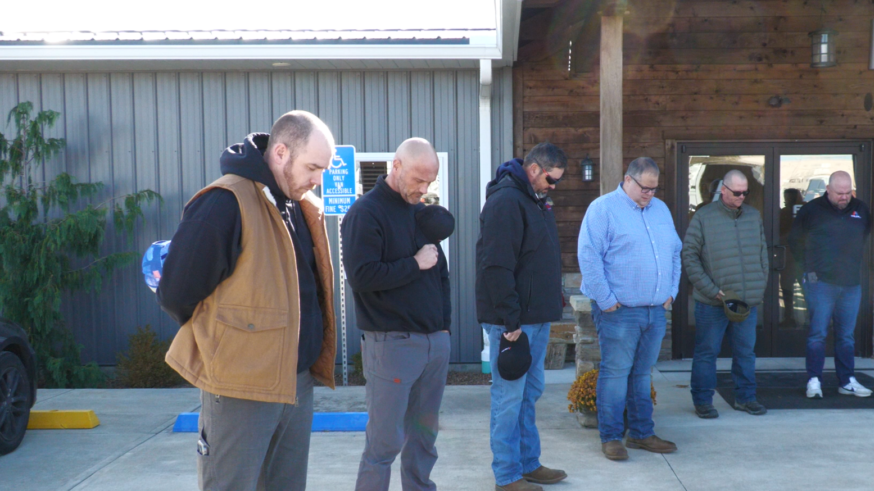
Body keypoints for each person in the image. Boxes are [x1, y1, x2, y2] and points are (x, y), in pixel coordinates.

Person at [159, 110, 338, 491]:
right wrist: (228, 344)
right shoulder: (224, 202)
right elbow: (177, 291)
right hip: (240, 390)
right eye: (312, 167)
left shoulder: (298, 204)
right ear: (281, 153)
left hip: (296, 384)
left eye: (323, 170)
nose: (318, 180)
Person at [342, 137, 451, 491]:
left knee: (424, 439)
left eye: (430, 182)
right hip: (392, 345)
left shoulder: (419, 212)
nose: (424, 189)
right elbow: (361, 277)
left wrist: (444, 329)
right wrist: (413, 264)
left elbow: (440, 274)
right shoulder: (365, 213)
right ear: (397, 166)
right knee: (384, 443)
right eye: (418, 180)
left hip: (434, 344)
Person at [477, 142, 568, 491]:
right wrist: (510, 320)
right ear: (533, 169)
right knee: (508, 398)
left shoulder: (534, 199)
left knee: (529, 394)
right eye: (550, 179)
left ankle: (529, 463)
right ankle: (507, 475)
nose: (553, 186)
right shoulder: (506, 201)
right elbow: (496, 265)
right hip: (514, 323)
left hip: (535, 317)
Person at [577, 157, 682, 461]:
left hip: (655, 310)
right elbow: (589, 257)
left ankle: (641, 433)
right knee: (615, 374)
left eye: (654, 188)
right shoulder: (603, 209)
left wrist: (672, 292)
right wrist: (606, 299)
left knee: (642, 374)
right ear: (627, 180)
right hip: (619, 311)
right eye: (644, 188)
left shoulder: (660, 209)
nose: (649, 194)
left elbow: (675, 253)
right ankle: (611, 437)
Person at [682, 169, 768, 419]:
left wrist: (760, 283)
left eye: (745, 193)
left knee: (745, 353)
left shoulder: (753, 216)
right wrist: (712, 291)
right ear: (723, 190)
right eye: (737, 192)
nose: (741, 197)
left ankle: (746, 398)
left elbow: (762, 252)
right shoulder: (704, 216)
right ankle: (703, 401)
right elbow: (689, 256)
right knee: (707, 353)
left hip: (745, 301)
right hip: (712, 302)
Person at [789, 171, 873, 399]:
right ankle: (814, 380)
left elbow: (866, 236)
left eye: (848, 192)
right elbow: (795, 241)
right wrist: (808, 270)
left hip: (851, 284)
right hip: (821, 283)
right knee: (818, 334)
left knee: (846, 336)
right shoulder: (811, 210)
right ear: (828, 189)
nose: (844, 197)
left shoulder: (861, 209)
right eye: (839, 193)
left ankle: (846, 381)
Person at [779, 188, 805, 327]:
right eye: (786, 198)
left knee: (805, 288)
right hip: (788, 256)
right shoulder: (784, 213)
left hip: (801, 256)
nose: (787, 200)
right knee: (787, 289)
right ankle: (788, 317)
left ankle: (809, 318)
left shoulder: (805, 210)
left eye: (790, 198)